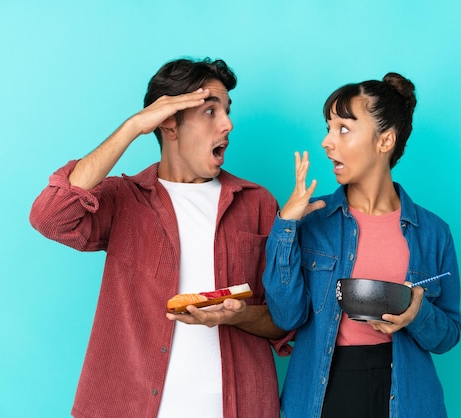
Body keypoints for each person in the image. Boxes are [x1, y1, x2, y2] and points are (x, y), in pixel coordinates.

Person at [29, 57, 288, 418]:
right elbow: (50, 216)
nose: (228, 124)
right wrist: (132, 127)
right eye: (210, 112)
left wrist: (237, 315)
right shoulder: (124, 199)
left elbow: (284, 319)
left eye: (227, 111)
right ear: (169, 122)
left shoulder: (257, 203)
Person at [262, 73, 461, 417]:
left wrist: (417, 313)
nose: (326, 142)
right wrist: (286, 226)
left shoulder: (434, 232)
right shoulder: (311, 221)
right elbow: (286, 316)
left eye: (343, 129)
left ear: (384, 142)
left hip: (405, 393)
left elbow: (447, 335)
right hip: (325, 390)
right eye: (328, 128)